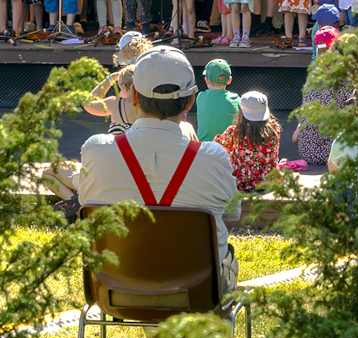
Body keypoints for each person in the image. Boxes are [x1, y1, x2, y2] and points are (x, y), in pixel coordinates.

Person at [77, 46, 239, 293]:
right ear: (191, 101)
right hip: (197, 292)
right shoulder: (214, 158)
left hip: (117, 291)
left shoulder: (95, 151)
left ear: (133, 98)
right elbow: (232, 213)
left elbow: (85, 201)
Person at [215, 92, 280, 193]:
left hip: (242, 182)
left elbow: (217, 146)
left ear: (242, 111)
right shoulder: (275, 130)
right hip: (269, 181)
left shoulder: (235, 132)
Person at [84, 64, 139, 133]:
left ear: (125, 88)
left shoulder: (115, 104)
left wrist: (110, 78)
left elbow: (88, 103)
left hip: (120, 143)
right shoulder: (152, 104)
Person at [195, 59, 240, 142]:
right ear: (229, 80)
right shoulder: (236, 99)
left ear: (206, 80)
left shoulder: (200, 97)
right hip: (227, 148)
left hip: (204, 147)